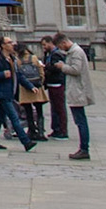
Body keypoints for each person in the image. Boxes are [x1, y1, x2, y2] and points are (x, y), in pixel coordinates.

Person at [0, 36, 36, 151]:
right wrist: (2, 74)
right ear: (3, 45)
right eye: (9, 42)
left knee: (0, 118)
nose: (12, 44)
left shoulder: (12, 59)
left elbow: (19, 75)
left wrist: (30, 86)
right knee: (14, 117)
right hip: (2, 93)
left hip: (10, 92)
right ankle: (26, 142)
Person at [56, 32, 94, 160]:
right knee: (80, 121)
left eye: (60, 47)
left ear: (64, 43)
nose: (61, 49)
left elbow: (76, 70)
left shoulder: (76, 52)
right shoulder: (73, 52)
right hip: (76, 90)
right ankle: (83, 148)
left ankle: (84, 149)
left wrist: (62, 67)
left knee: (81, 121)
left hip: (78, 91)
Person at [16, 36, 46, 140]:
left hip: (25, 88)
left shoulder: (17, 60)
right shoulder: (34, 57)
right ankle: (41, 132)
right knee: (39, 111)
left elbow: (17, 75)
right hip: (36, 86)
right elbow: (41, 70)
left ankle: (32, 131)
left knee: (28, 112)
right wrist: (40, 82)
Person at [38, 36, 65, 138]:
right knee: (54, 108)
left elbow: (57, 68)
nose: (43, 47)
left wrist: (45, 67)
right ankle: (56, 129)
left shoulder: (56, 54)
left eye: (45, 45)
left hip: (57, 83)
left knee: (59, 108)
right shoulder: (49, 54)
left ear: (50, 43)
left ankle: (62, 130)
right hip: (51, 83)